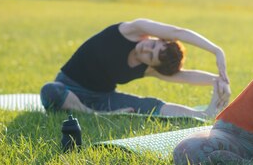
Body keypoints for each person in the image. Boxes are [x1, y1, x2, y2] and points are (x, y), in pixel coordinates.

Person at [40, 19, 231, 118]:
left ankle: (203, 115)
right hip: (67, 87)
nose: (147, 49)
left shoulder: (148, 69)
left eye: (151, 56)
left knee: (149, 104)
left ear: (153, 65)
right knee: (50, 90)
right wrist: (216, 51)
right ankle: (92, 114)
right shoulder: (132, 30)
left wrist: (218, 80)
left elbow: (184, 77)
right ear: (158, 39)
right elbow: (177, 32)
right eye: (154, 45)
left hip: (102, 98)